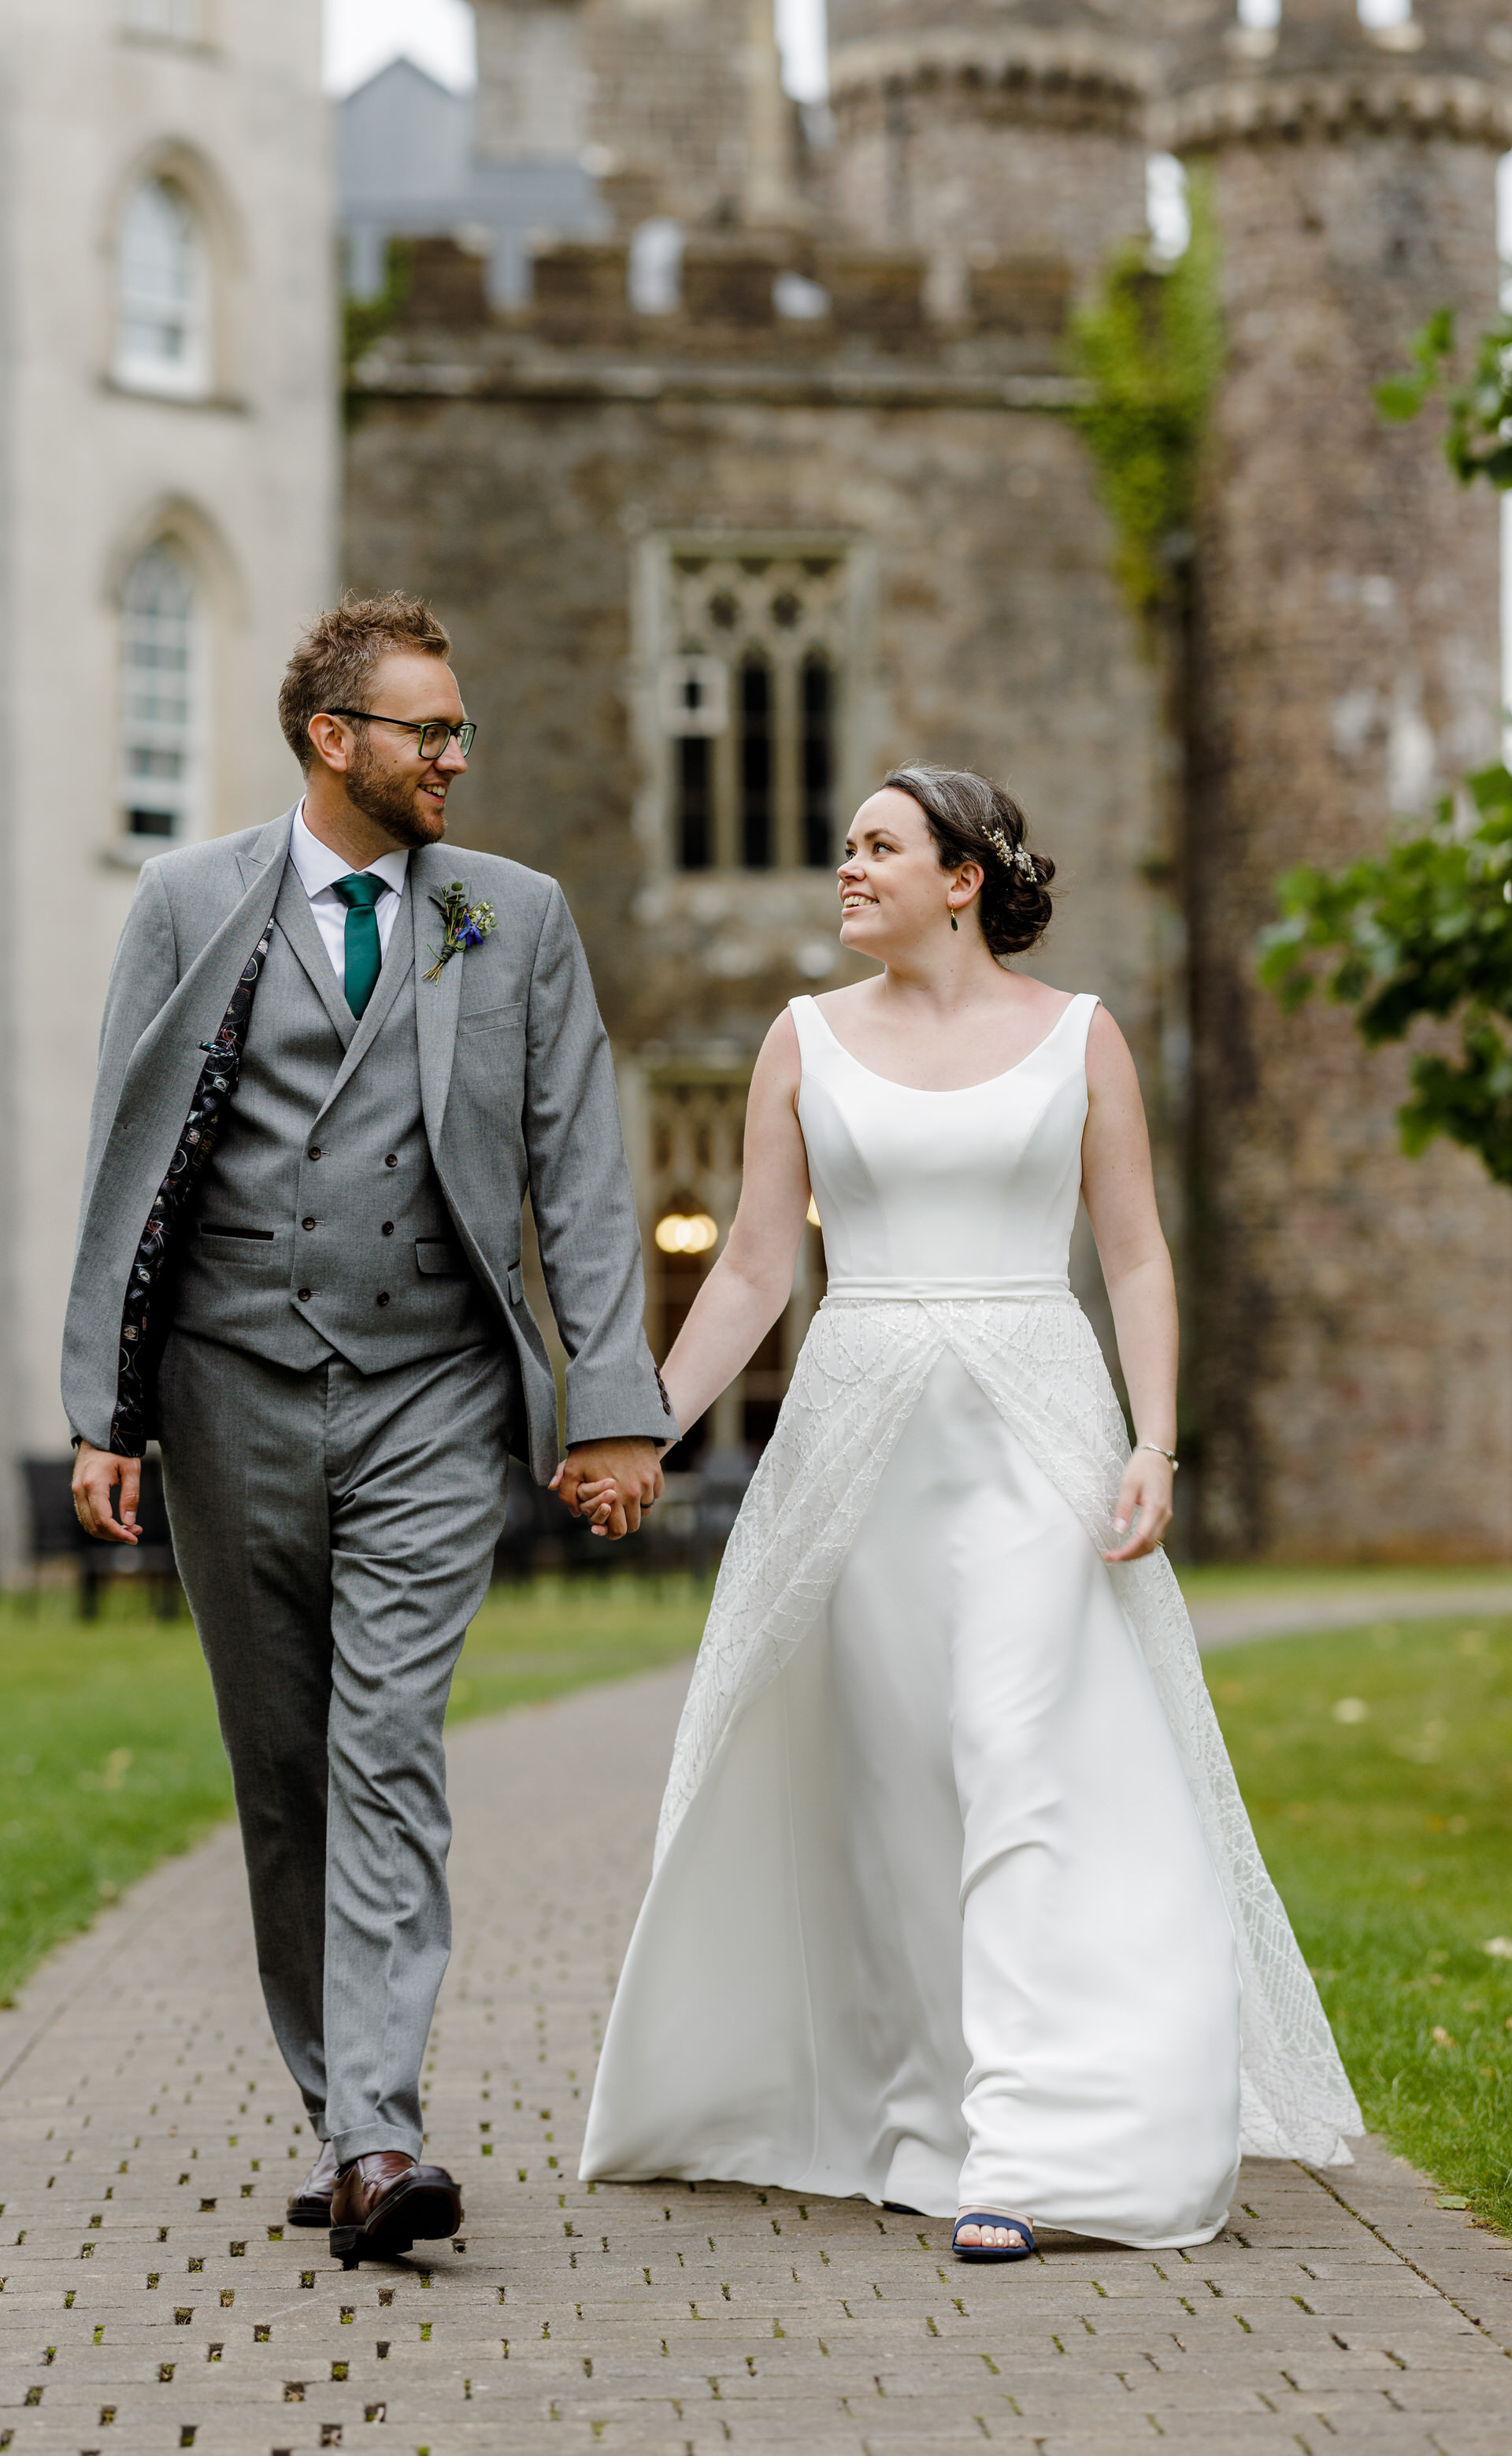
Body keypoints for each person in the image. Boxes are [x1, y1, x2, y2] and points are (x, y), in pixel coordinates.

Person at [578, 765, 1361, 2260]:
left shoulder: (1081, 1038)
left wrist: (1156, 1440)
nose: (845, 870)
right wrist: (642, 1424)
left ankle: (1022, 2142)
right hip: (857, 1439)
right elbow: (751, 1266)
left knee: (1017, 1755)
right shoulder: (800, 1041)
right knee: (890, 1783)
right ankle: (914, 2113)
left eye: (877, 846)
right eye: (845, 847)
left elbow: (1133, 1254)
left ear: (962, 876)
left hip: (1032, 1431)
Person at [65, 593, 672, 2269]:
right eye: (429, 731)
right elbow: (124, 1167)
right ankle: (345, 2108)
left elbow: (583, 1178)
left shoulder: (513, 918)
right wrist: (101, 1410)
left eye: (458, 728)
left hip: (429, 1386)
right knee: (282, 1770)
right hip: (226, 1382)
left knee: (387, 1741)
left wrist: (610, 1403)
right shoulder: (190, 901)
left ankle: (379, 2127)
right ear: (335, 740)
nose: (456, 755)